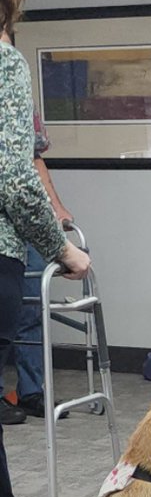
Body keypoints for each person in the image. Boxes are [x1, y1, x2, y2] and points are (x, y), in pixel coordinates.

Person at [0, 0, 90, 497]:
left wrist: (57, 237)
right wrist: (60, 246)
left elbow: (19, 168)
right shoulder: (5, 61)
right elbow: (11, 170)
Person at [0, 103, 73, 425]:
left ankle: (32, 391)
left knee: (32, 308)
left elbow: (33, 158)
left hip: (25, 220)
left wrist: (56, 209)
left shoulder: (17, 98)